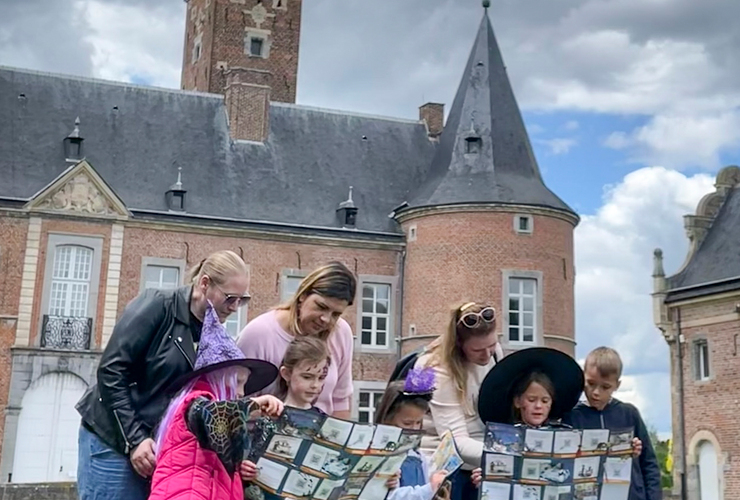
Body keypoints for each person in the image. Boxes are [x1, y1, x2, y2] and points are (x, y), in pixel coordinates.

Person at [76, 250, 251, 500]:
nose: (234, 308)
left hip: (156, 446)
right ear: (204, 283)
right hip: (111, 438)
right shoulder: (156, 304)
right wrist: (135, 439)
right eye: (230, 298)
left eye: (242, 300)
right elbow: (111, 371)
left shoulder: (213, 331)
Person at [149, 303, 282, 500]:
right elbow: (213, 415)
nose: (241, 392)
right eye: (237, 382)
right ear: (220, 378)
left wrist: (240, 469)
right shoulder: (194, 402)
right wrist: (254, 404)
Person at [471, 347, 641, 487]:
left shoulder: (565, 435)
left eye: (545, 400)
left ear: (551, 403)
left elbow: (592, 463)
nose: (538, 406)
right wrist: (486, 478)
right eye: (531, 400)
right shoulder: (502, 440)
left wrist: (624, 450)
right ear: (518, 401)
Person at [237, 262, 356, 418]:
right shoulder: (258, 334)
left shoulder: (341, 333)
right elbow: (236, 404)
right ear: (303, 296)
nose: (326, 319)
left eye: (336, 314)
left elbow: (340, 401)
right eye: (321, 307)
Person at [414, 302, 504, 500]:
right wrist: (507, 458)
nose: (487, 355)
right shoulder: (433, 368)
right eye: (478, 350)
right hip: (444, 467)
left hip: (482, 463)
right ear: (459, 345)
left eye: (492, 345)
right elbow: (455, 442)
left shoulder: (494, 353)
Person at [563, 347, 662, 500]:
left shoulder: (629, 414)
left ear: (617, 385)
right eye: (591, 383)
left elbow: (649, 464)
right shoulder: (571, 416)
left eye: (605, 387)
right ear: (583, 377)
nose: (596, 392)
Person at [374, 369, 449, 500]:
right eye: (407, 423)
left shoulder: (418, 455)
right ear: (387, 419)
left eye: (418, 422)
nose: (414, 429)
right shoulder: (378, 455)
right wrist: (429, 490)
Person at [276, 336, 331, 410]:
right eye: (307, 377)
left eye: (321, 378)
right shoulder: (273, 415)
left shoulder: (324, 420)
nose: (315, 385)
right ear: (287, 374)